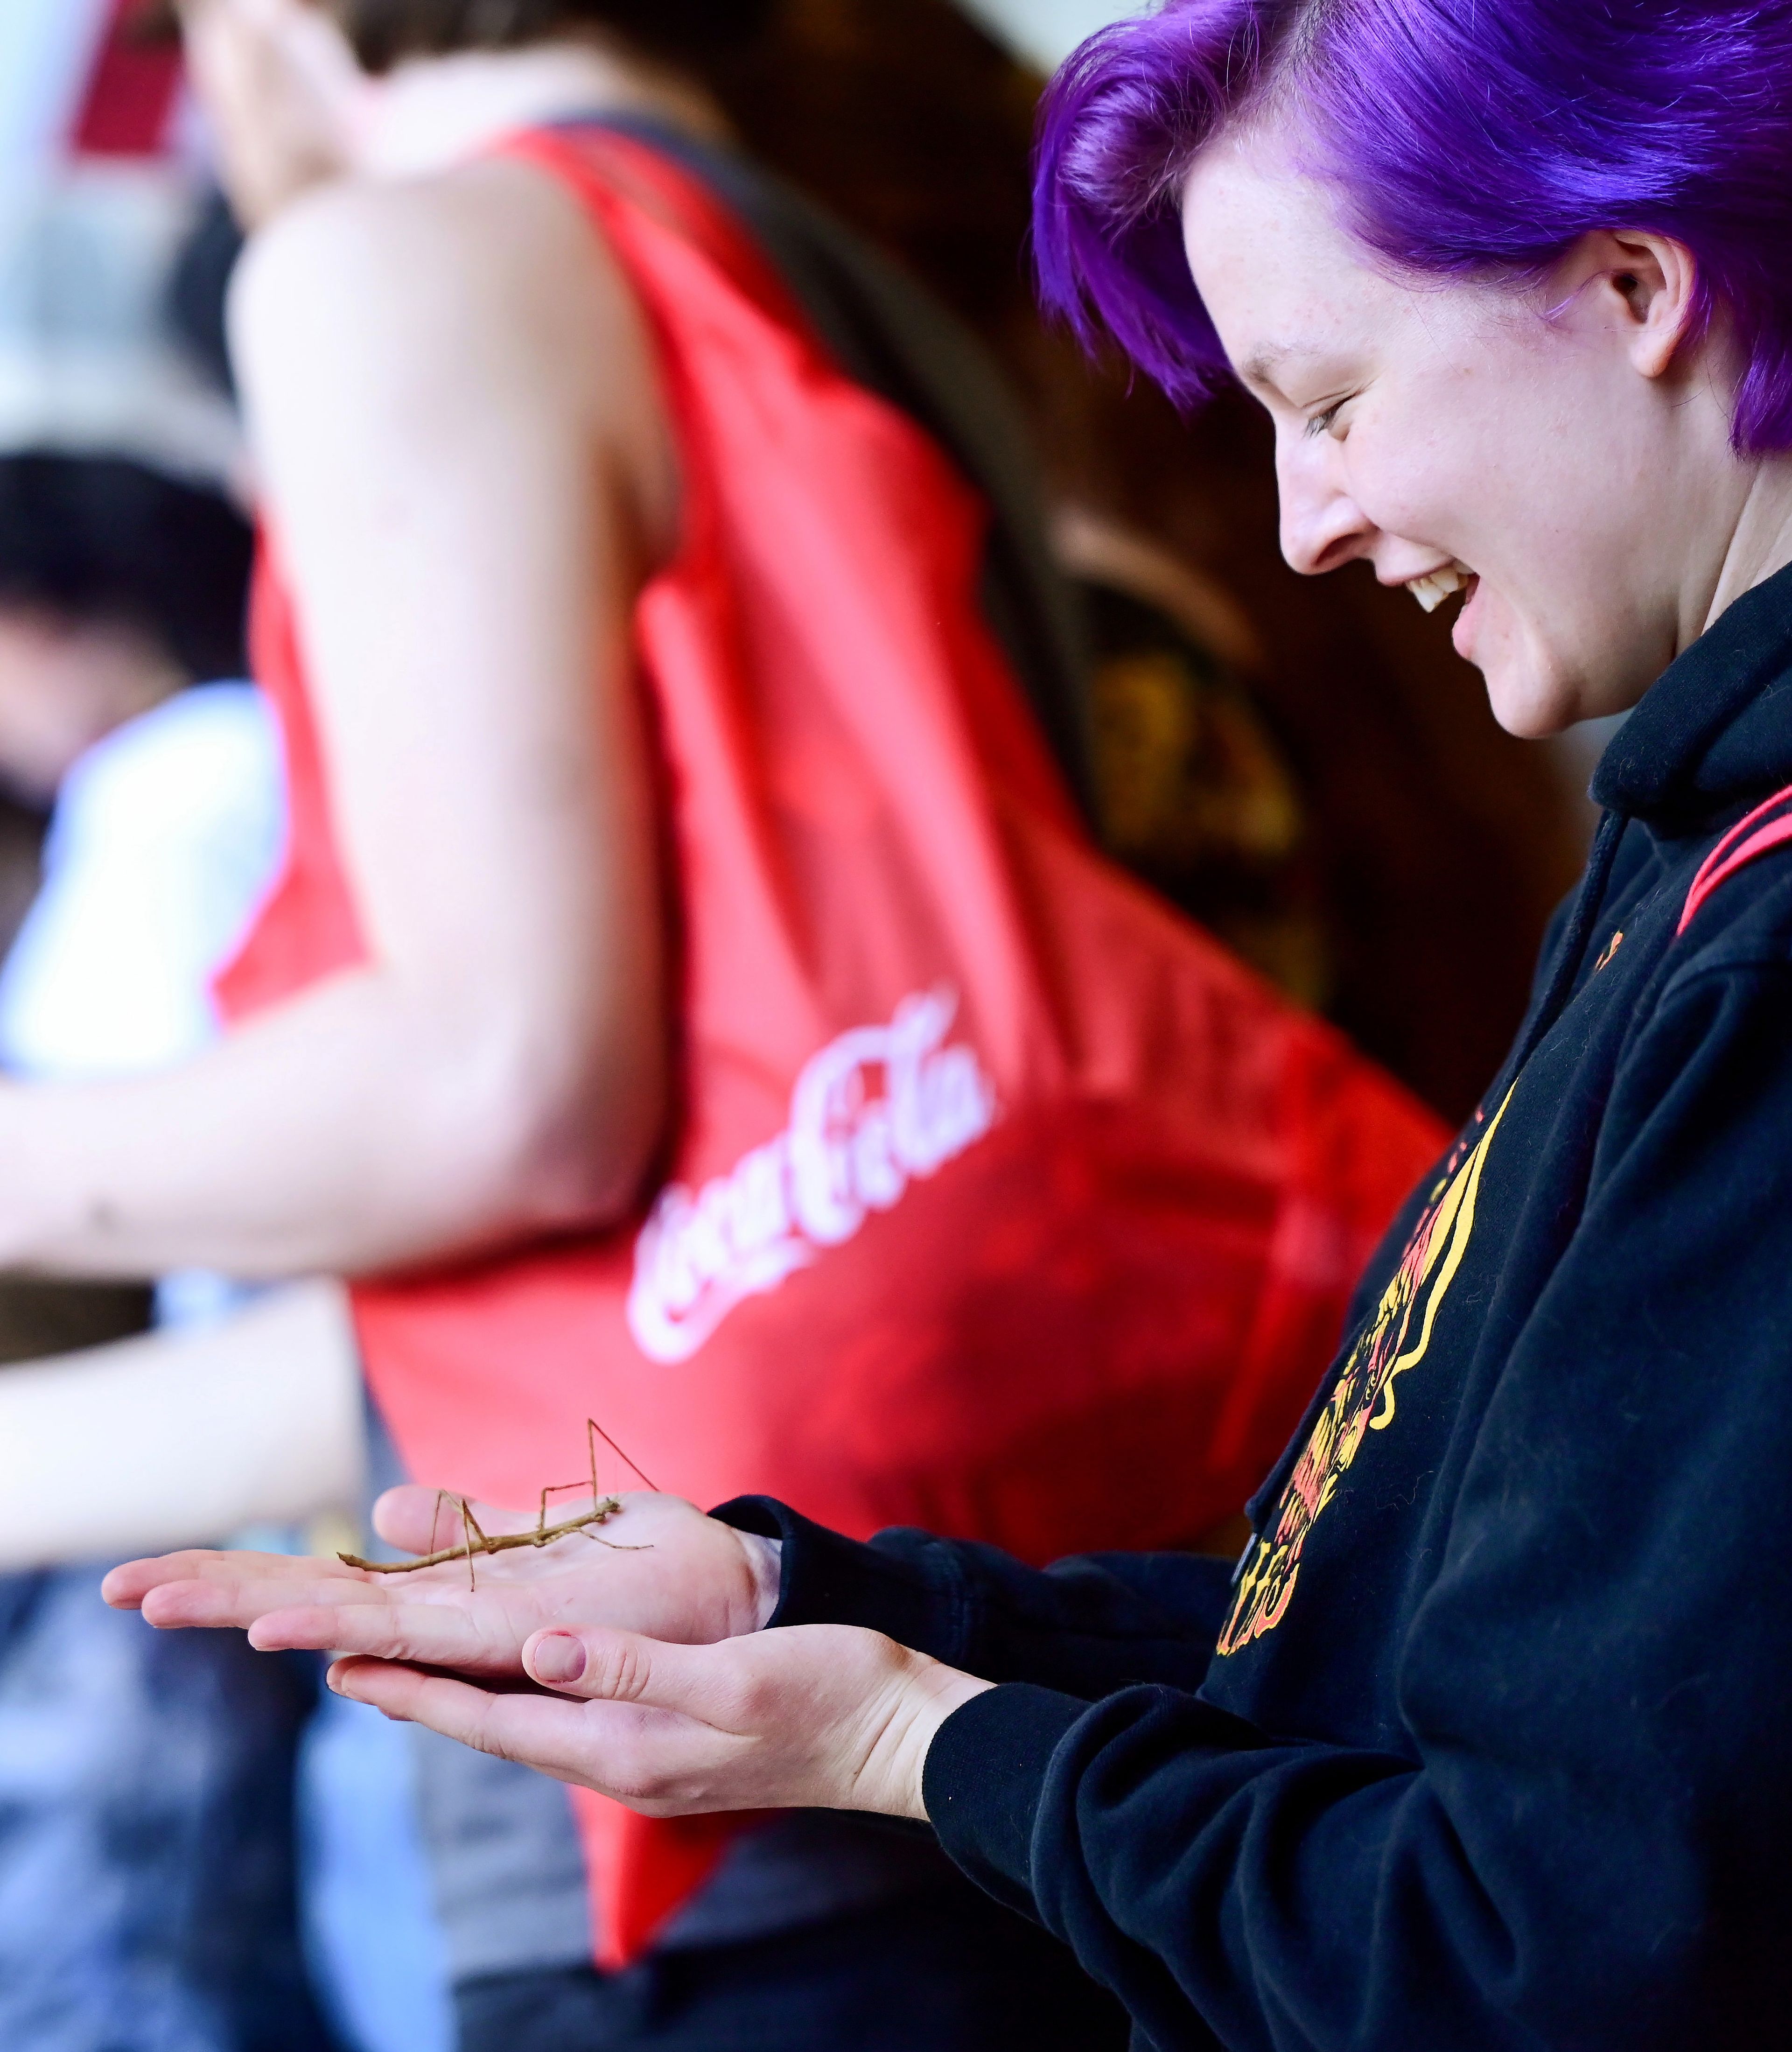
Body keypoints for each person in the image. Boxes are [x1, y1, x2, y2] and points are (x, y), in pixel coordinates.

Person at [112, 0, 1792, 2045]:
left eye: (1332, 397)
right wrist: (812, 1604)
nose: (1304, 521)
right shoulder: (1680, 850)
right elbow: (1383, 1652)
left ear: (1634, 287)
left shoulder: (1755, 932)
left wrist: (920, 1735)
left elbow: (1538, 1944)